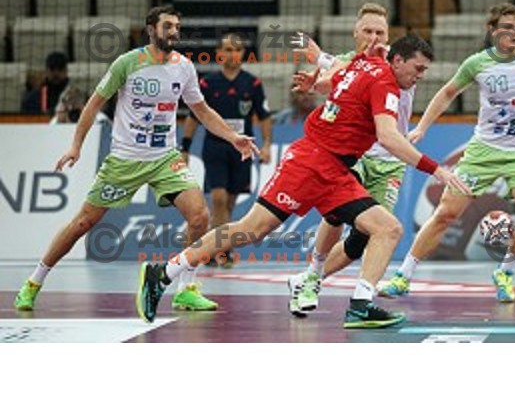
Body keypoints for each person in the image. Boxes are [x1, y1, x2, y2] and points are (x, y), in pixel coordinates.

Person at [136, 37, 472, 328]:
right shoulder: (385, 81)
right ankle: (163, 273)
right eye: (418, 68)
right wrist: (437, 170)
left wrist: (327, 76)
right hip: (311, 162)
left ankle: (359, 305)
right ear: (397, 60)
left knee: (387, 228)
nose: (420, 77)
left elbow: (331, 83)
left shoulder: (365, 63)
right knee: (249, 230)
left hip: (336, 171)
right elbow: (387, 136)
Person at [14, 5, 257, 313]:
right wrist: (76, 146)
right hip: (124, 160)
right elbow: (93, 104)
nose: (174, 32)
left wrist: (233, 137)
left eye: (177, 27)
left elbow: (202, 111)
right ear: (151, 29)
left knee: (199, 217)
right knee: (83, 222)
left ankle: (186, 288)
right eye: (168, 26)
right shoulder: (127, 63)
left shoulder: (183, 67)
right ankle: (33, 282)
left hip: (164, 159)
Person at [379, 2, 515, 302]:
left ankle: (505, 271)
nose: (514, 32)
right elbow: (447, 93)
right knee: (446, 213)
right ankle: (403, 276)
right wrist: (422, 128)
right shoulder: (477, 63)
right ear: (492, 31)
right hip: (483, 152)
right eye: (507, 27)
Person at [284, 3, 422, 317]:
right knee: (336, 210)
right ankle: (348, 293)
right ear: (355, 33)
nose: (374, 38)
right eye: (368, 31)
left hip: (390, 161)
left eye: (380, 32)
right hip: (354, 153)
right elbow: (323, 74)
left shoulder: (398, 64)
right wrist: (313, 80)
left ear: (389, 36)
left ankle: (309, 280)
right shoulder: (347, 63)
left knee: (367, 236)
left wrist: (422, 128)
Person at [179, 33, 272, 268]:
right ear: (220, 54)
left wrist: (267, 144)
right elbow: (193, 117)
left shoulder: (253, 83)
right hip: (215, 146)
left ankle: (215, 244)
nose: (234, 54)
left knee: (230, 201)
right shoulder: (208, 83)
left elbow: (264, 115)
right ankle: (222, 251)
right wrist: (185, 148)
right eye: (229, 50)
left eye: (238, 50)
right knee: (218, 198)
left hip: (241, 148)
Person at [22, 51, 70, 115]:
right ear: (46, 70)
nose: (56, 73)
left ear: (66, 71)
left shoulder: (74, 97)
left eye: (60, 69)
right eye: (52, 69)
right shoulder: (32, 99)